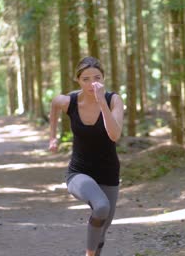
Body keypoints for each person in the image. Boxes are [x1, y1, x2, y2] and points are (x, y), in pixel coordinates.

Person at [48, 56, 124, 256]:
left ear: (104, 78)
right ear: (78, 81)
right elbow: (54, 105)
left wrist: (102, 104)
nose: (92, 84)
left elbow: (114, 135)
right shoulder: (69, 101)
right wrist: (52, 137)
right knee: (100, 207)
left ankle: (94, 252)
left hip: (109, 174)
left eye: (96, 78)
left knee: (101, 231)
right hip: (79, 173)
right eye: (86, 79)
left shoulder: (113, 100)